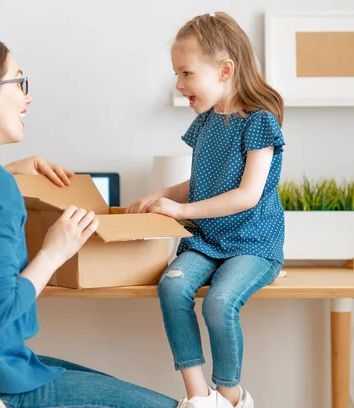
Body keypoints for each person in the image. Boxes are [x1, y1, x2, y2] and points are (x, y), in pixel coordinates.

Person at [0, 34, 178, 408]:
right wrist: (55, 251)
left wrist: (4, 175)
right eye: (19, 82)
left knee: (99, 381)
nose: (27, 97)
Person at [128, 12, 286, 408]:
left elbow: (247, 194)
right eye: (176, 75)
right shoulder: (205, 124)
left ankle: (231, 395)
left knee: (219, 302)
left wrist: (181, 206)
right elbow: (204, 183)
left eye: (186, 73)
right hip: (207, 240)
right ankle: (198, 395)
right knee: (173, 286)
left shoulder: (259, 123)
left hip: (252, 244)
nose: (180, 85)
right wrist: (162, 194)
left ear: (224, 70)